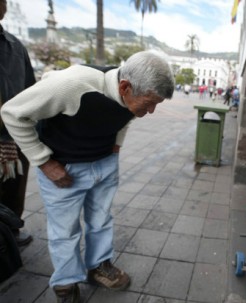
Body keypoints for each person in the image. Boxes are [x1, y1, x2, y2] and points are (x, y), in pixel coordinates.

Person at [1, 51, 174, 302]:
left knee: (102, 220)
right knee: (65, 229)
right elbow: (12, 113)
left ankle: (99, 266)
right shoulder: (72, 86)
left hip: (104, 163)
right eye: (149, 103)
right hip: (63, 169)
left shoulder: (131, 93)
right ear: (125, 87)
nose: (151, 111)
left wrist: (116, 146)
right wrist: (43, 161)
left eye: (156, 104)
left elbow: (125, 117)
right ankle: (66, 283)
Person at [0, 0, 36, 247]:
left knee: (15, 184)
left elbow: (31, 89)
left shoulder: (15, 46)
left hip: (14, 131)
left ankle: (11, 229)